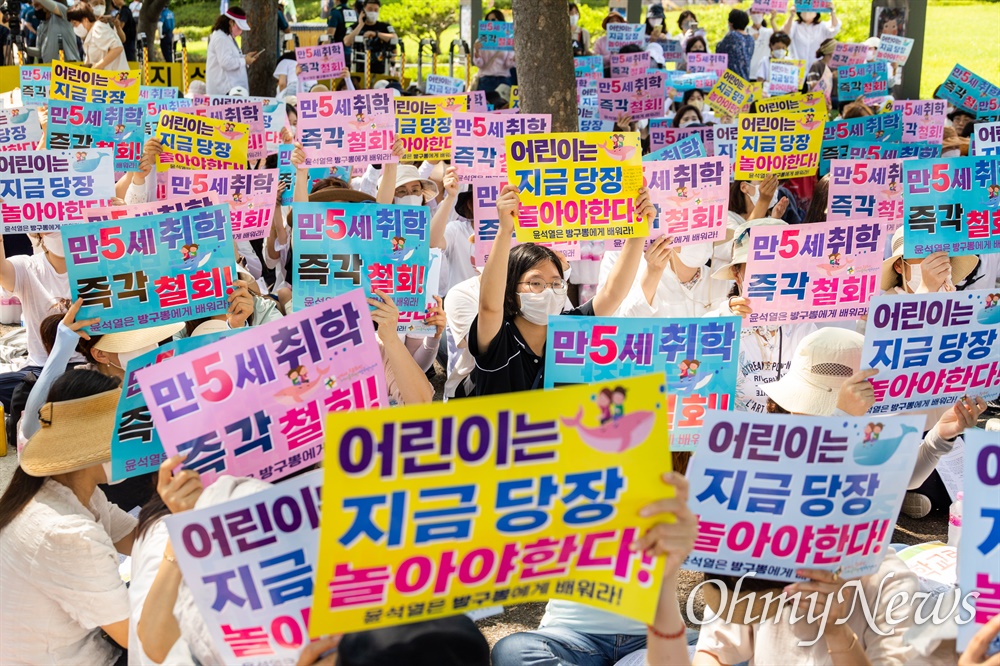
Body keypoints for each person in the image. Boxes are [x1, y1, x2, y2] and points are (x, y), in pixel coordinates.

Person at [492, 472, 698, 666]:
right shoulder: (558, 488)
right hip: (572, 635)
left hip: (652, 638)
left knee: (725, 653)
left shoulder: (670, 490)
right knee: (513, 651)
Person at [469, 185, 655, 397]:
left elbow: (613, 293)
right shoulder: (500, 338)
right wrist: (504, 230)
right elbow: (489, 307)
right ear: (511, 291)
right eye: (536, 283)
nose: (548, 291)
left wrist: (640, 228)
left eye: (556, 284)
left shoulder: (571, 328)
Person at [0, 370, 133, 665]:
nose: (134, 442)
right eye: (127, 430)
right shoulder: (68, 532)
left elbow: (134, 535)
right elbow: (137, 637)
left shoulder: (66, 490)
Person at [205, 7, 259, 95]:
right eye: (239, 27)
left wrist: (245, 57)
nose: (241, 31)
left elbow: (231, 57)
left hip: (231, 90)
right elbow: (226, 62)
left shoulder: (227, 37)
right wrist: (244, 60)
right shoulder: (221, 38)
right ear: (231, 22)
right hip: (225, 91)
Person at [67, 2, 127, 70]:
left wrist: (99, 65)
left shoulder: (98, 28)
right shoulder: (90, 33)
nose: (74, 27)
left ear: (85, 20)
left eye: (75, 23)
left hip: (117, 78)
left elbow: (118, 47)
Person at [344, 0, 396, 76]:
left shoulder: (385, 27)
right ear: (363, 11)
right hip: (359, 70)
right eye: (370, 9)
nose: (373, 12)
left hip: (381, 71)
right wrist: (360, 25)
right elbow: (347, 42)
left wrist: (376, 34)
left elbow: (394, 38)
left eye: (376, 10)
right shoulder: (354, 27)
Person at [780, 4, 840, 71]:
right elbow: (784, 34)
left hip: (817, 69)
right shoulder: (795, 25)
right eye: (804, 9)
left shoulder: (822, 26)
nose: (807, 12)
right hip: (797, 68)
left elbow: (834, 27)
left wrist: (832, 13)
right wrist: (791, 16)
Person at [473, 8, 515, 94]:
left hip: (503, 79)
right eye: (488, 20)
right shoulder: (481, 40)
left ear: (500, 20)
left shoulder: (507, 40)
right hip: (486, 80)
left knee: (504, 107)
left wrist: (515, 54)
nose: (490, 22)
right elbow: (480, 64)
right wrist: (476, 52)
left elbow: (508, 64)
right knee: (486, 107)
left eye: (493, 20)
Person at [715, 9, 755, 81]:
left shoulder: (732, 35)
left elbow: (719, 49)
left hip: (732, 79)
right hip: (745, 78)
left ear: (731, 23)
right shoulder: (751, 39)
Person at [747, 8, 775, 83]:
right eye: (754, 12)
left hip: (763, 74)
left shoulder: (768, 31)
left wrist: (772, 20)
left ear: (764, 14)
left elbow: (779, 38)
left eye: (759, 12)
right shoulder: (746, 30)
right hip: (748, 73)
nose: (756, 14)